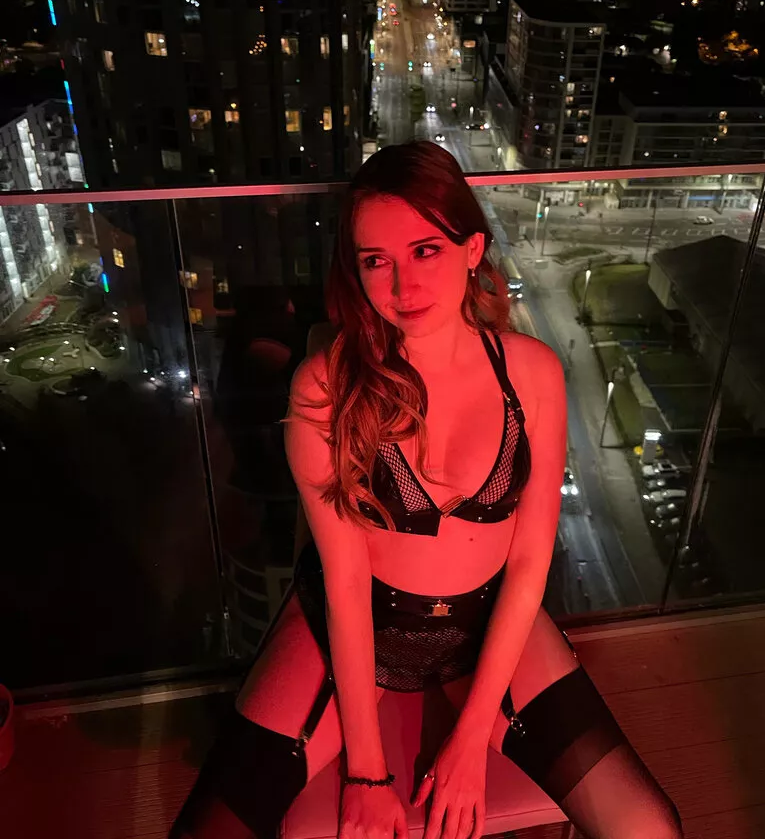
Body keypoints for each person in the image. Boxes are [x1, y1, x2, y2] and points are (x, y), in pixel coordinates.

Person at [171, 142, 682, 839]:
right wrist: (368, 774)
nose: (402, 286)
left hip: (486, 620)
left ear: (472, 249)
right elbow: (345, 583)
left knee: (649, 827)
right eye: (375, 260)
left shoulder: (532, 374)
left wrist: (470, 740)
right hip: (359, 623)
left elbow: (529, 561)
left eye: (425, 251)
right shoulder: (327, 388)